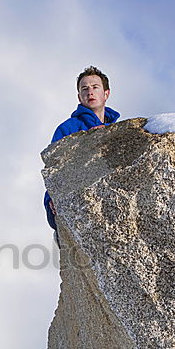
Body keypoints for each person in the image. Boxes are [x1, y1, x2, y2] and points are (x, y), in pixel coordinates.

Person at [44, 65, 121, 230]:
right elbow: (53, 170)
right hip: (76, 209)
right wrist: (53, 200)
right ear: (80, 97)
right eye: (84, 89)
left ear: (106, 94)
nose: (90, 92)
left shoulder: (118, 130)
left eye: (95, 87)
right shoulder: (68, 128)